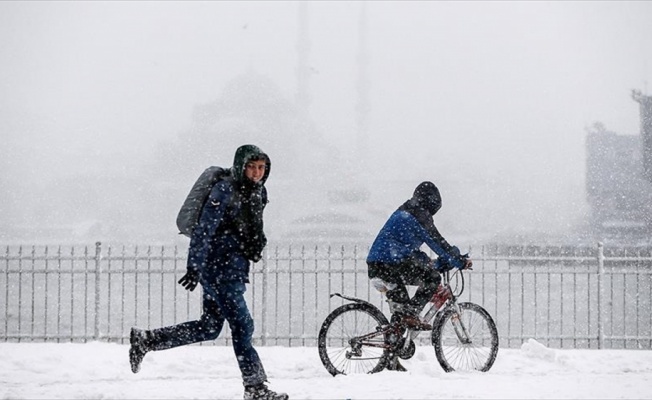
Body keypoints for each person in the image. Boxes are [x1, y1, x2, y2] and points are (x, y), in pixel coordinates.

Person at [129, 144, 288, 400]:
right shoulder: (224, 189)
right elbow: (204, 229)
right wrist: (194, 266)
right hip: (218, 269)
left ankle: (147, 340)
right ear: (241, 166)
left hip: (235, 267)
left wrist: (255, 244)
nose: (257, 173)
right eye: (252, 167)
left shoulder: (259, 192)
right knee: (242, 325)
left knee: (210, 327)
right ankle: (255, 387)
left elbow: (252, 226)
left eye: (262, 168)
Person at [366, 181, 472, 332]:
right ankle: (411, 313)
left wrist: (434, 264)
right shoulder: (418, 215)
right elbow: (437, 242)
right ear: (432, 202)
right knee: (432, 278)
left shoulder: (406, 212)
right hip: (390, 264)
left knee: (400, 315)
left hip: (379, 265)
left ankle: (392, 347)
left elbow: (409, 252)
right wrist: (459, 261)